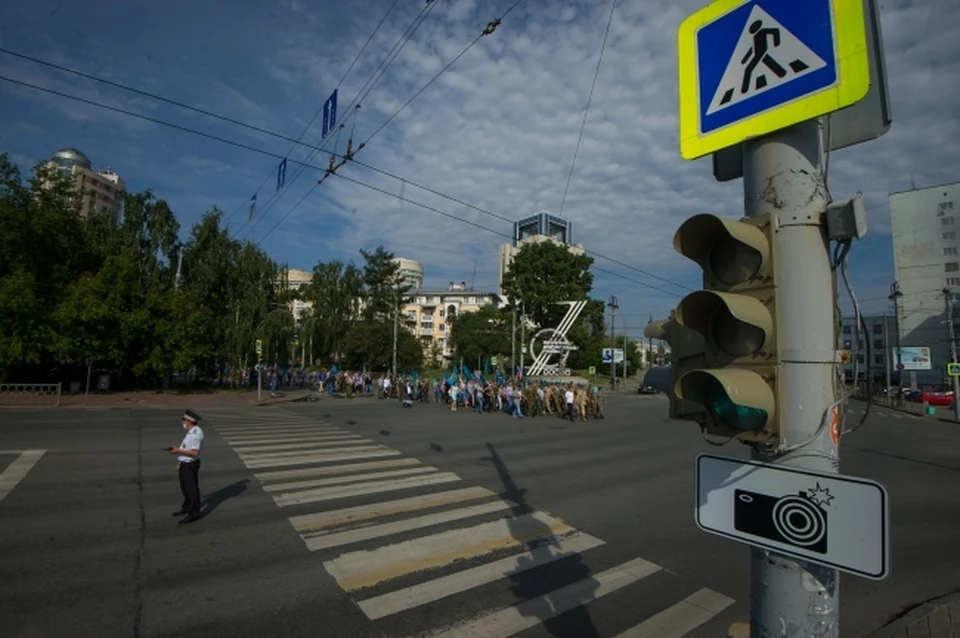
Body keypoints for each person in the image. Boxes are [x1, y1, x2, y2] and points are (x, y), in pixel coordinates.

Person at [168, 409, 204, 525]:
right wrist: (179, 462)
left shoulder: (195, 435)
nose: (182, 421)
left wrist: (177, 450)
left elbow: (194, 453)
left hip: (190, 465)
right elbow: (185, 447)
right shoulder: (190, 432)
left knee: (191, 489)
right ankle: (187, 506)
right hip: (185, 463)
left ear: (189, 421)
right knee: (184, 487)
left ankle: (194, 513)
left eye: (184, 419)